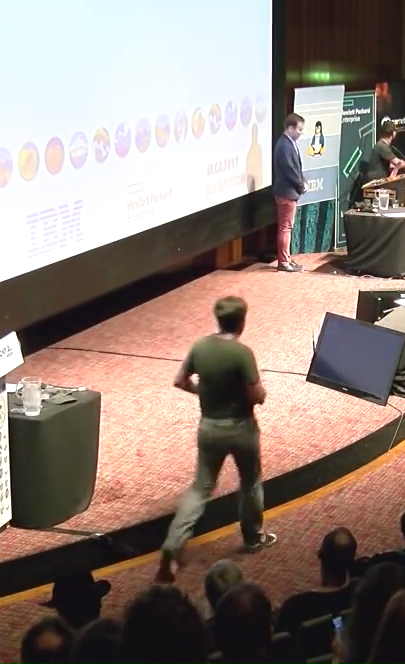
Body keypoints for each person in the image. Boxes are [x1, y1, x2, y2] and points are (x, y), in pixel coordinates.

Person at [157, 297, 275, 583]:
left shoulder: (200, 347)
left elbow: (180, 381)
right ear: (241, 322)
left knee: (200, 488)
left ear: (218, 320)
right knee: (250, 482)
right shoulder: (242, 353)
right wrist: (261, 395)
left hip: (209, 427)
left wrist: (204, 393)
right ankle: (253, 538)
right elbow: (255, 394)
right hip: (241, 428)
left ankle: (172, 545)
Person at [272, 113, 307, 272]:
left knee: (287, 227)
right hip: (286, 192)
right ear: (290, 128)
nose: (301, 133)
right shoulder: (284, 145)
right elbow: (289, 170)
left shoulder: (290, 143)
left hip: (290, 192)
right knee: (285, 228)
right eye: (299, 129)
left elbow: (296, 167)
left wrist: (303, 180)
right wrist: (301, 185)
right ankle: (284, 262)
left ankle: (286, 258)